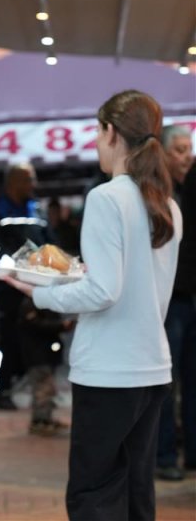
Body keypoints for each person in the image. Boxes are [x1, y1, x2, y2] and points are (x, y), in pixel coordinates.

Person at [5, 90, 182, 520]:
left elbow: (104, 292)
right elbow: (136, 284)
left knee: (95, 495)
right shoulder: (168, 205)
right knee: (137, 492)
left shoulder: (107, 198)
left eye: (97, 132)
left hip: (109, 369)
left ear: (110, 132)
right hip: (151, 366)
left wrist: (40, 292)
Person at [0, 162, 46, 410]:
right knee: (7, 341)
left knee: (37, 340)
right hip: (9, 288)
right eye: (29, 179)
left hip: (38, 286)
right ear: (14, 182)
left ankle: (39, 394)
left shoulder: (35, 208)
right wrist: (11, 266)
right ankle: (1, 391)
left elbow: (47, 242)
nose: (34, 185)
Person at [156, 124, 195, 481]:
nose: (187, 156)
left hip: (190, 298)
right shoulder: (157, 196)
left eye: (189, 148)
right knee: (166, 382)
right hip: (170, 302)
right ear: (164, 153)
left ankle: (191, 454)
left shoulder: (190, 189)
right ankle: (165, 455)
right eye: (180, 149)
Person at [17, 297, 75, 436]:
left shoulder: (39, 300)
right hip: (37, 354)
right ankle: (40, 421)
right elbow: (36, 325)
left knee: (46, 388)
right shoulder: (32, 302)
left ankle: (45, 418)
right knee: (43, 388)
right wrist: (60, 325)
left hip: (44, 353)